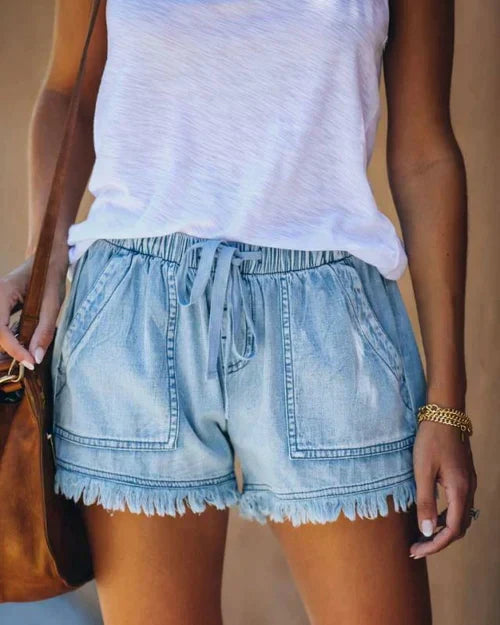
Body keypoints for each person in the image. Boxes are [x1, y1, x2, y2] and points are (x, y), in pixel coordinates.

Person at [0, 1, 478, 624]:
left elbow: (425, 153)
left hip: (329, 330)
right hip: (134, 320)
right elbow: (69, 94)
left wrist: (447, 404)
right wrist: (43, 262)